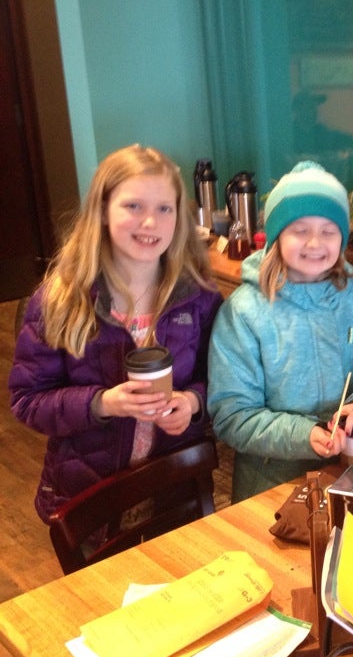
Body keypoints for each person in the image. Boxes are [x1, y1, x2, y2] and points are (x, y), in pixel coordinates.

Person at [8, 144, 223, 523]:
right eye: (133, 206)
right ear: (103, 210)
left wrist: (192, 403)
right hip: (90, 496)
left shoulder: (199, 298)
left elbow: (222, 380)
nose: (150, 222)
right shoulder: (61, 300)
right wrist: (103, 403)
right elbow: (28, 400)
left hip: (176, 489)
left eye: (164, 208)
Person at [207, 161, 353, 502]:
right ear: (276, 237)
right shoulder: (243, 312)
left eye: (329, 231)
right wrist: (304, 435)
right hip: (271, 486)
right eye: (300, 230)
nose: (315, 243)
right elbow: (232, 416)